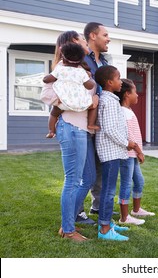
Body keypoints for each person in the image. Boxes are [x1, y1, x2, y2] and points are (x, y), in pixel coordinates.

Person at [51, 30, 98, 242]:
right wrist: (82, 102)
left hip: (82, 129)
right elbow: (46, 94)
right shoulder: (61, 70)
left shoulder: (79, 70)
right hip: (71, 126)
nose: (85, 41)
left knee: (87, 177)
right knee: (72, 179)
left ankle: (68, 220)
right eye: (81, 38)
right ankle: (68, 229)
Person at [94, 65, 135, 241]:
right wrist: (127, 143)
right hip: (110, 153)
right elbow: (110, 129)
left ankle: (107, 223)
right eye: (118, 79)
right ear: (110, 82)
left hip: (113, 151)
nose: (121, 82)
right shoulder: (109, 101)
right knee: (109, 192)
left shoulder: (110, 99)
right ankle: (104, 229)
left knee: (109, 190)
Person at [76, 22, 111, 223]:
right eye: (105, 35)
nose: (108, 39)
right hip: (83, 121)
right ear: (92, 36)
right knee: (82, 169)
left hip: (101, 123)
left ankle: (97, 206)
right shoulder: (81, 60)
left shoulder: (104, 63)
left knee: (100, 167)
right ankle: (77, 211)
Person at [114, 79, 155, 226]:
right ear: (126, 94)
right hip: (127, 154)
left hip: (132, 155)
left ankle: (136, 210)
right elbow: (128, 135)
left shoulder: (127, 110)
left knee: (139, 181)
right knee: (126, 184)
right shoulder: (123, 112)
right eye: (135, 92)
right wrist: (139, 151)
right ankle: (124, 217)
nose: (137, 95)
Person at [43, 42, 99, 138]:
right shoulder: (82, 72)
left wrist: (51, 77)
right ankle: (91, 123)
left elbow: (46, 80)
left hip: (63, 103)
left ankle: (51, 131)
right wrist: (90, 78)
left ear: (63, 58)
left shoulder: (60, 69)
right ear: (81, 59)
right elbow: (90, 86)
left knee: (53, 114)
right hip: (80, 104)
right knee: (94, 103)